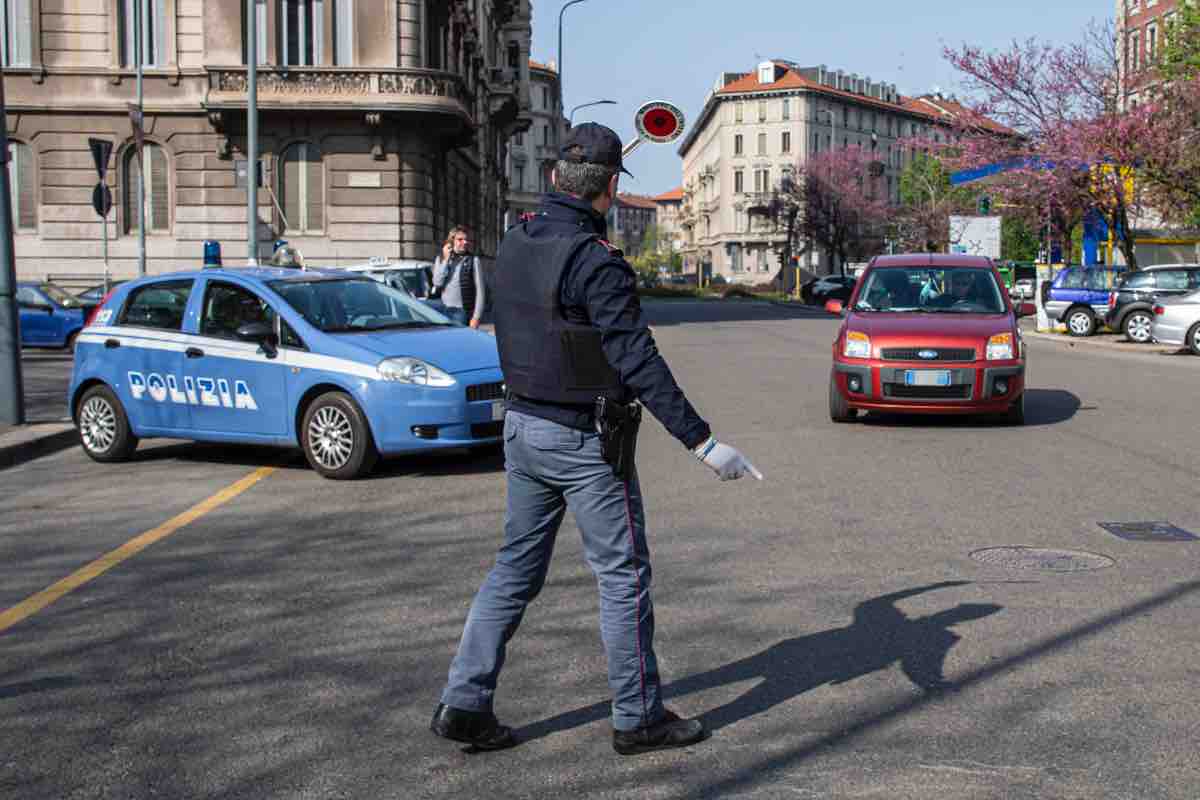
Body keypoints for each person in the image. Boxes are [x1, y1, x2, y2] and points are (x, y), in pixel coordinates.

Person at [431, 123, 762, 756]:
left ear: (555, 178)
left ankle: (465, 701)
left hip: (522, 429)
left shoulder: (519, 240)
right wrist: (702, 442)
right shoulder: (595, 261)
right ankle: (637, 717)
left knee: (513, 570)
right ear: (611, 188)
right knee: (623, 575)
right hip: (583, 442)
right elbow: (638, 359)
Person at [432, 226, 486, 328]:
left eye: (466, 240)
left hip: (462, 312)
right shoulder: (441, 258)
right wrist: (446, 260)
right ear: (451, 241)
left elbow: (480, 292)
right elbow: (437, 283)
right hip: (443, 311)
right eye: (460, 239)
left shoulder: (473, 260)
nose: (465, 242)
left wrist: (476, 317)